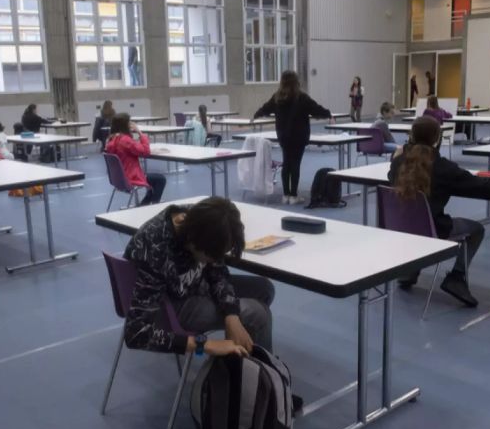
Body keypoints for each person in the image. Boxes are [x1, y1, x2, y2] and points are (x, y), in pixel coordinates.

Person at [123, 197, 274, 360]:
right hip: (170, 307)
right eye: (211, 256)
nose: (215, 259)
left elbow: (217, 272)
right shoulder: (155, 249)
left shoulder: (201, 220)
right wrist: (204, 345)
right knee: (257, 314)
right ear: (193, 242)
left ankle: (240, 364)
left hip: (192, 286)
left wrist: (231, 314)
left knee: (264, 289)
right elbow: (135, 334)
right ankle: (259, 378)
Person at [388, 116, 490, 306]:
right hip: (432, 229)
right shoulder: (443, 167)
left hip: (401, 226)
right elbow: (482, 187)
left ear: (411, 135)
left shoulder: (398, 162)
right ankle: (457, 277)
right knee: (476, 229)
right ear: (437, 139)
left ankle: (408, 272)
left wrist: (395, 157)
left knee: (417, 222)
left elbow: (390, 177)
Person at [253, 70, 332, 205]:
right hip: (299, 136)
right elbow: (316, 109)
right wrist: (328, 114)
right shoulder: (301, 97)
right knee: (295, 165)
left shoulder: (277, 97)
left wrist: (256, 115)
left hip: (284, 136)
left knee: (287, 164)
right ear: (296, 82)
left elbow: (265, 108)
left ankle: (286, 195)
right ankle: (293, 195)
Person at [104, 113, 166, 206]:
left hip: (118, 179)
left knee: (153, 181)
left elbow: (130, 150)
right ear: (125, 125)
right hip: (131, 177)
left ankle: (144, 204)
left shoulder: (110, 140)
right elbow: (145, 152)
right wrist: (139, 132)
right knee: (160, 179)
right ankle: (153, 206)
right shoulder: (125, 140)